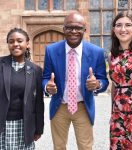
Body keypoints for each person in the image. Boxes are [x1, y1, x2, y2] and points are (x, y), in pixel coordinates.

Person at [42, 12, 109, 150]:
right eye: (69, 27)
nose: (73, 31)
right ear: (63, 29)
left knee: (85, 146)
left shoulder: (97, 52)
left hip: (83, 106)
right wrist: (47, 87)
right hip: (59, 106)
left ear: (84, 30)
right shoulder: (51, 50)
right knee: (59, 146)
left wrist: (97, 84)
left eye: (78, 28)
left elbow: (103, 80)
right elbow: (45, 78)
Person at [0, 27, 44, 150]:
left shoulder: (35, 70)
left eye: (19, 41)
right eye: (11, 41)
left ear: (27, 43)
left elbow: (38, 102)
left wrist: (39, 128)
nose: (15, 44)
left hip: (23, 126)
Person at [109, 10, 132, 149]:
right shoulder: (113, 54)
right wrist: (112, 111)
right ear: (114, 29)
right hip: (119, 113)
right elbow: (114, 86)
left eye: (128, 25)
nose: (123, 29)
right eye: (119, 25)